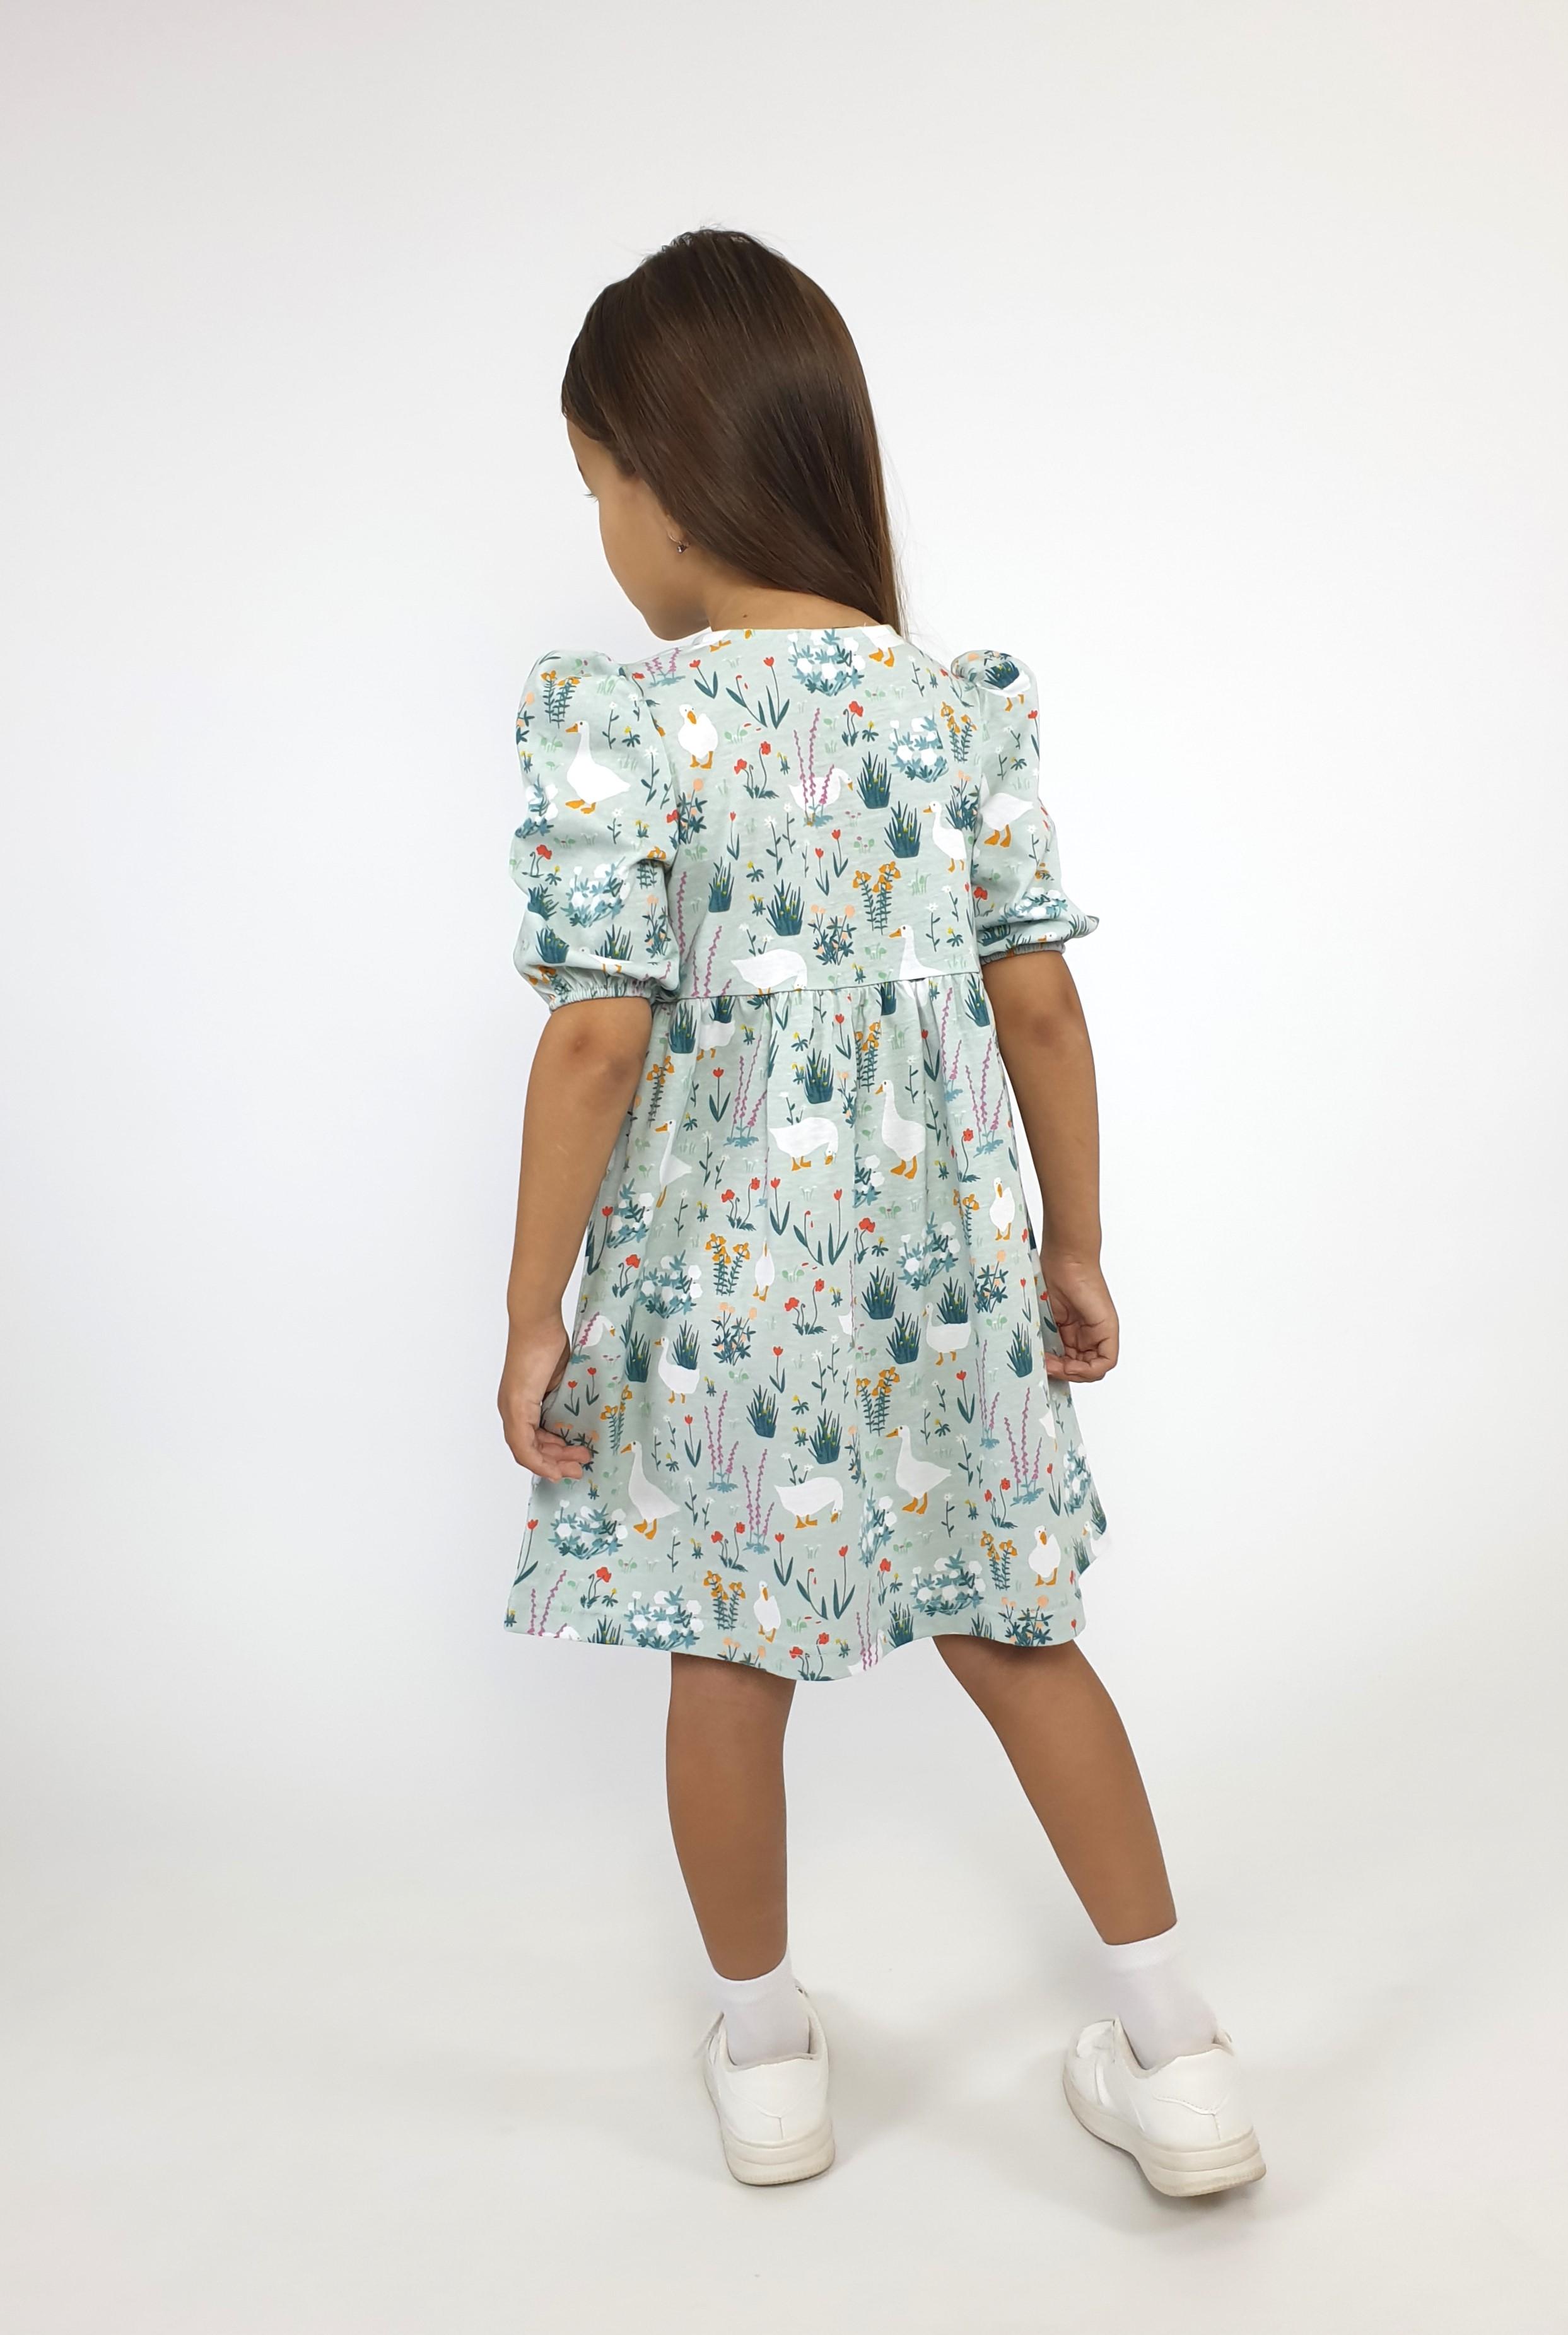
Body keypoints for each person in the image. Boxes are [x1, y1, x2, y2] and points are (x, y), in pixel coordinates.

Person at [495, 226, 1265, 2199]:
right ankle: (1179, 2057)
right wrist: (1074, 1243)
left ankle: (770, 2069)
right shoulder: (953, 711)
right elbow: (1042, 1004)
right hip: (942, 1285)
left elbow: (595, 1044)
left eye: (596, 485)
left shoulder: (632, 723)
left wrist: (529, 1313)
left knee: (723, 1658)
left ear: (671, 484)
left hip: (716, 1303)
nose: (603, 533)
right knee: (1022, 1635)